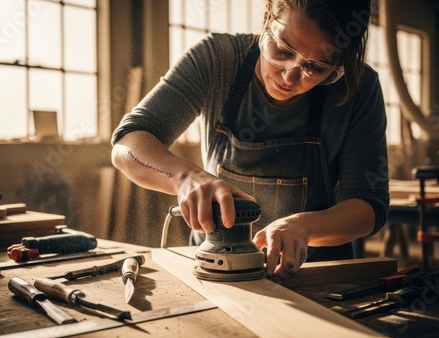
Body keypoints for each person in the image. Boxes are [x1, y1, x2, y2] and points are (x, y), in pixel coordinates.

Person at [111, 0, 389, 281]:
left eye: (316, 68)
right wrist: (185, 177)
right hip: (217, 272)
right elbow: (129, 142)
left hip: (313, 277)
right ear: (268, 16)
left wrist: (304, 227)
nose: (290, 77)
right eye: (282, 50)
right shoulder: (218, 59)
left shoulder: (359, 89)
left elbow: (369, 205)